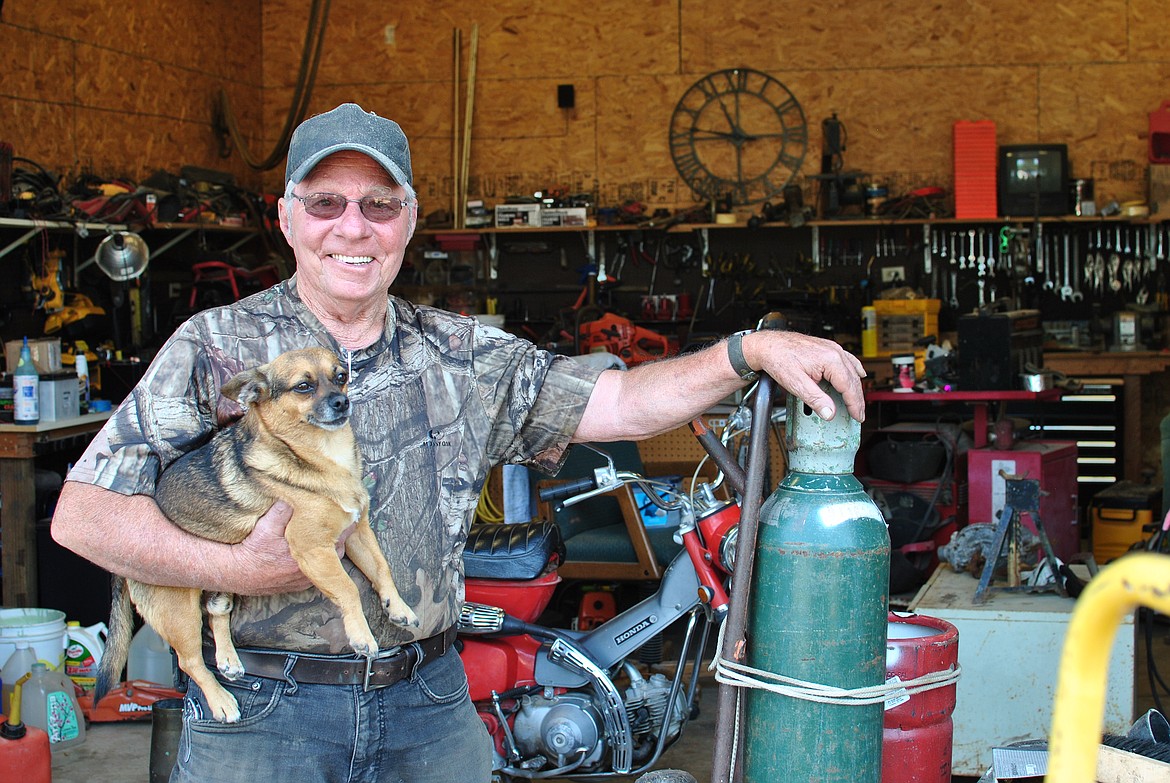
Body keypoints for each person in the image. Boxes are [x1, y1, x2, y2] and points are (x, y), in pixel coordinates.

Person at [51, 102, 866, 782]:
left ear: (409, 218)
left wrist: (748, 350)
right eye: (326, 202)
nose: (353, 227)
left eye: (379, 204)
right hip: (265, 713)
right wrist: (239, 568)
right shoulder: (216, 344)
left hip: (431, 706)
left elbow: (617, 402)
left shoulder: (462, 351)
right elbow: (82, 517)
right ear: (288, 217)